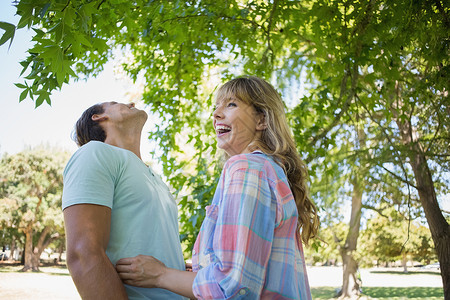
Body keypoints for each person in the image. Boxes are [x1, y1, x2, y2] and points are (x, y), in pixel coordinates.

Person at [116, 76, 320, 299]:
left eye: (231, 104)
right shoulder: (265, 169)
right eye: (216, 107)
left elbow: (231, 287)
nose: (216, 114)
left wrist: (160, 275)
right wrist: (199, 272)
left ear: (261, 120)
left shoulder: (247, 168)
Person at [62, 101, 186, 299]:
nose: (131, 103)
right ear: (99, 117)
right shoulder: (94, 153)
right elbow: (82, 253)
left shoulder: (156, 179)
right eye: (115, 103)